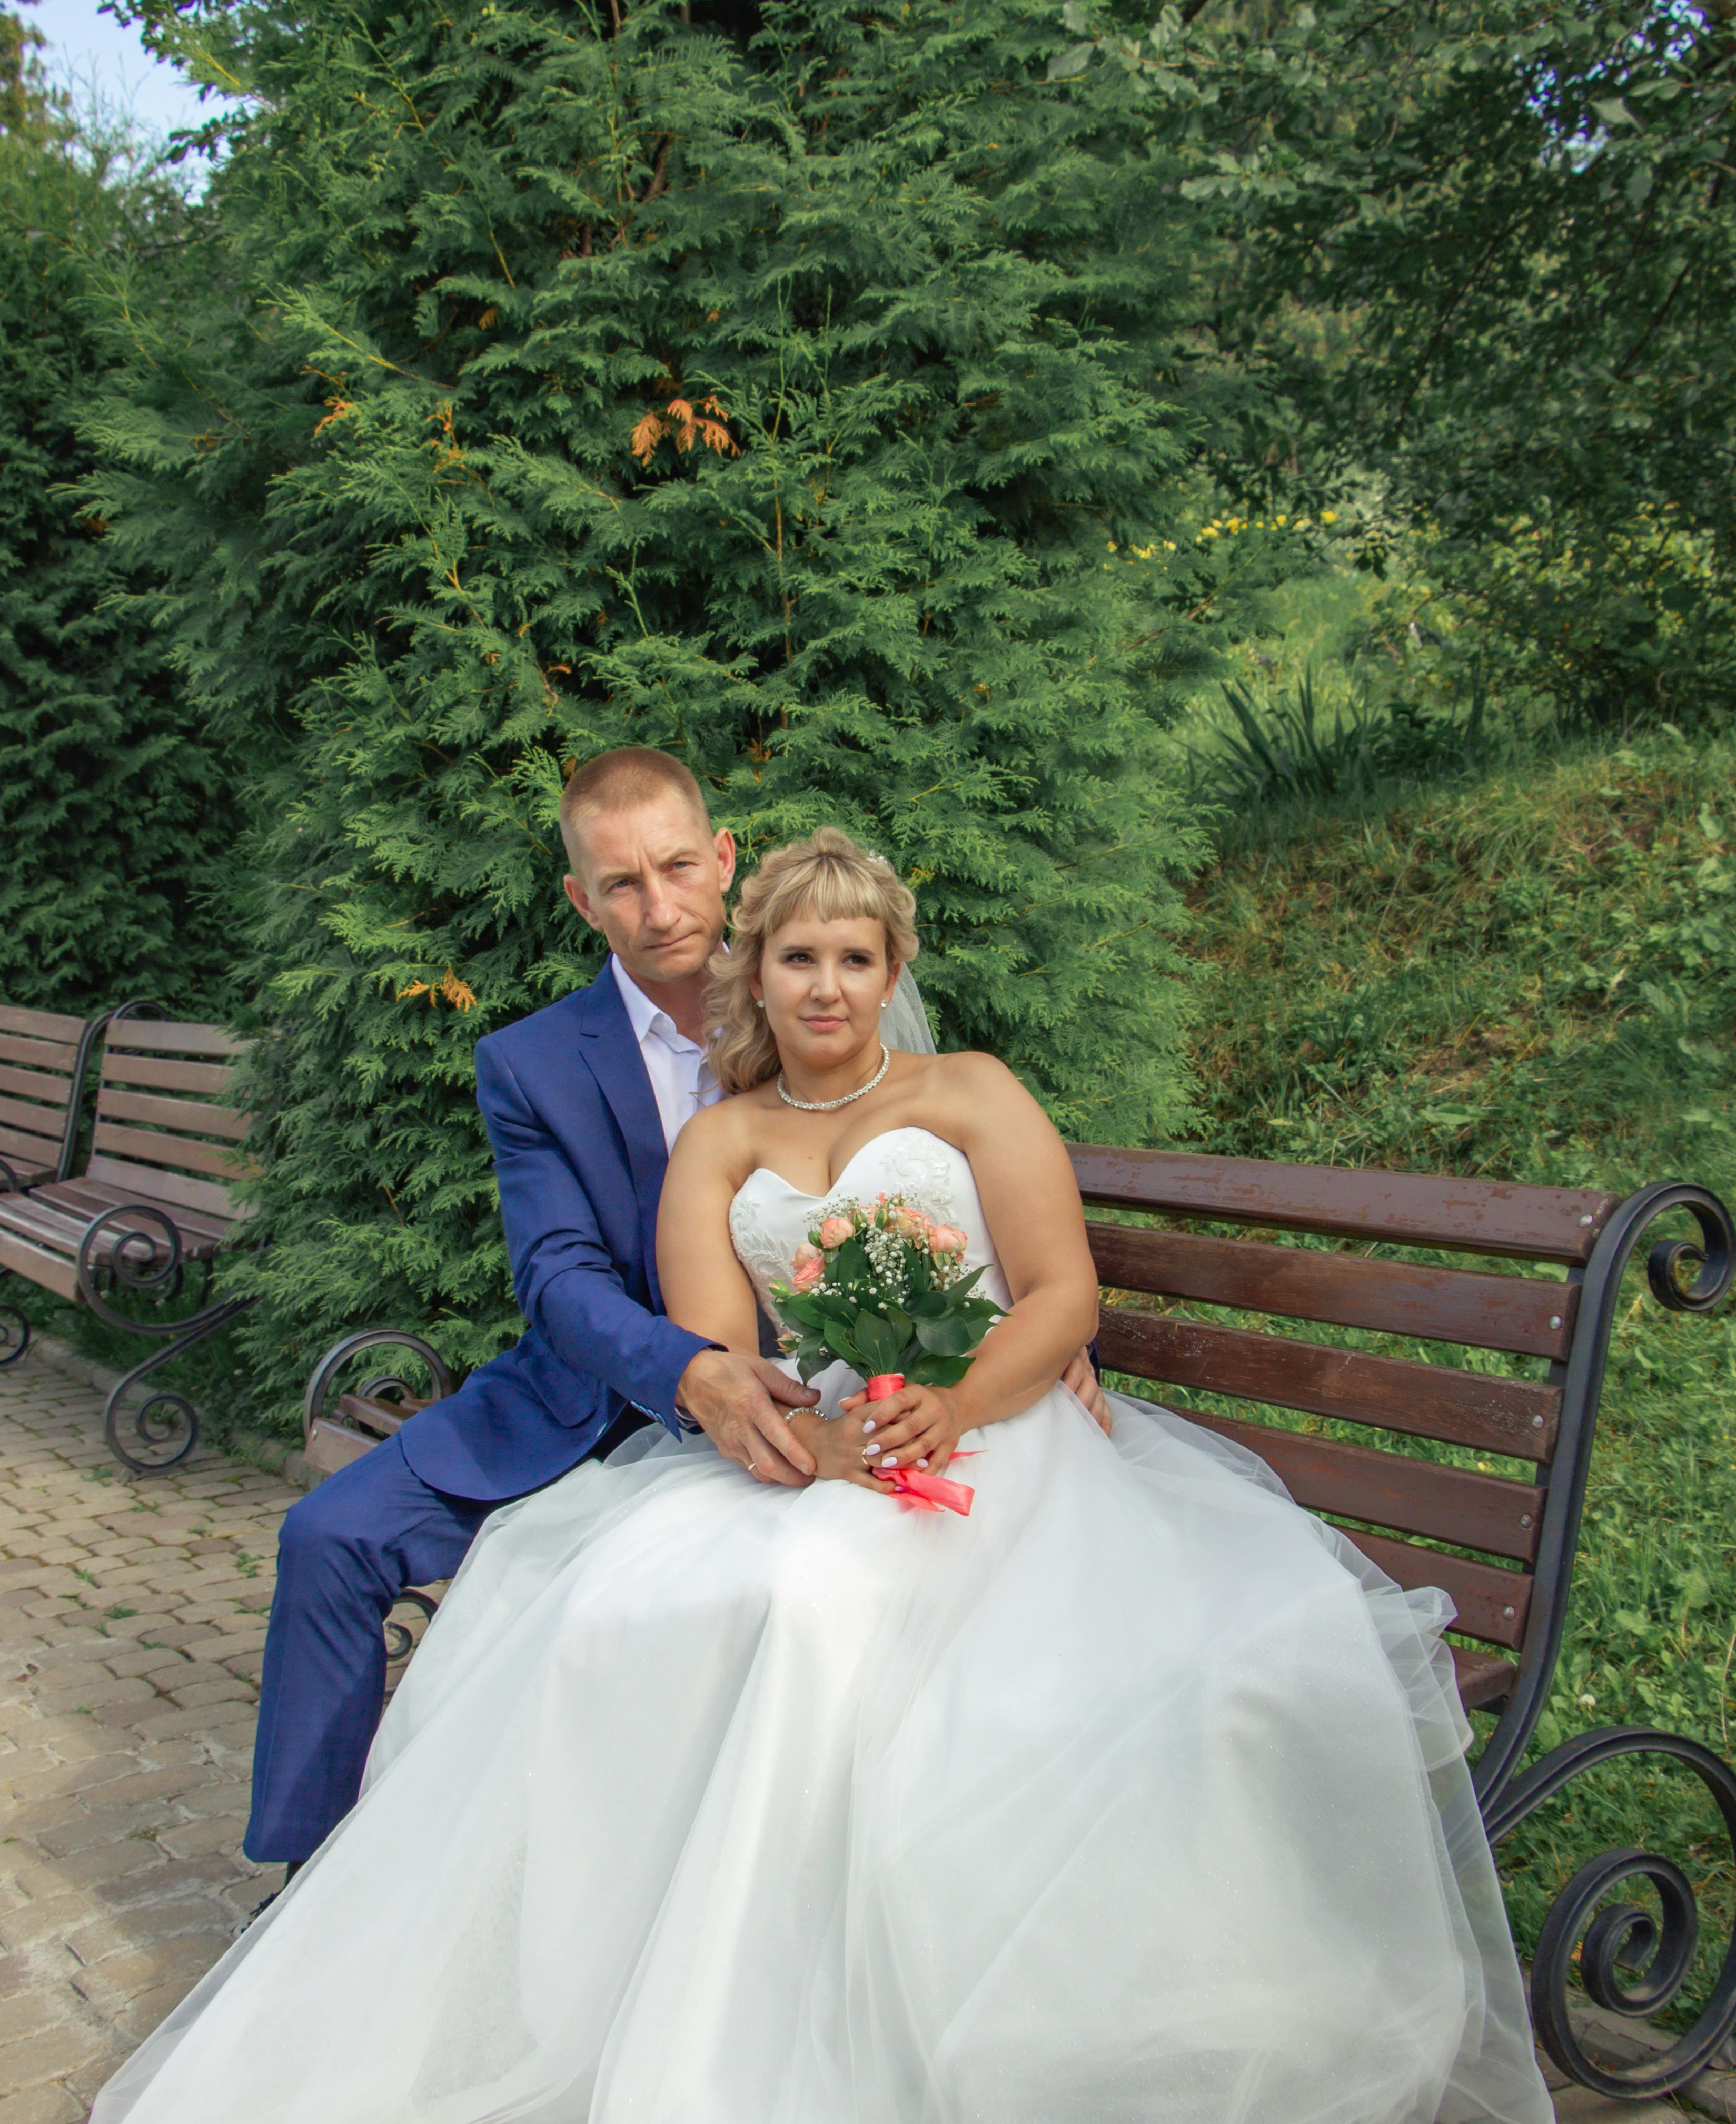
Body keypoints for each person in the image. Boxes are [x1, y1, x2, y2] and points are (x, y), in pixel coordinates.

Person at [79, 827, 1563, 2124]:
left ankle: (851, 2061)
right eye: (801, 960)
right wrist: (830, 1424)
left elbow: (1061, 1295)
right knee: (629, 1597)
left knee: (811, 1606)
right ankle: (632, 2021)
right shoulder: (719, 1144)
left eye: (860, 958)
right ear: (757, 975)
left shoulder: (975, 1095)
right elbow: (728, 1356)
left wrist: (962, 1397)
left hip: (1004, 1444)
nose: (833, 988)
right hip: (831, 1443)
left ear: (891, 967)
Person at [246, 748, 1106, 1869]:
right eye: (621, 885)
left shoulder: (831, 993)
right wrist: (688, 1372)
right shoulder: (533, 1064)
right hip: (603, 1399)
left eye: (678, 868)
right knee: (327, 1536)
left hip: (832, 1399)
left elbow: (987, 1223)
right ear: (581, 900)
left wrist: (1024, 1358)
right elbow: (555, 1272)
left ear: (724, 861)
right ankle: (305, 1875)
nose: (659, 908)